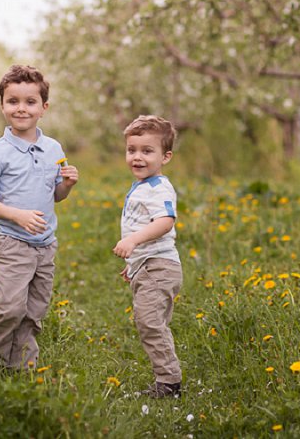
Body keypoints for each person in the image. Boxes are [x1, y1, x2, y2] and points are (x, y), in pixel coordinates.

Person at [0, 64, 78, 370]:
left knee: (33, 311)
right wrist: (16, 215)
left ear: (43, 108)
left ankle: (22, 369)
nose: (21, 109)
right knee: (9, 309)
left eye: (30, 102)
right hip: (11, 243)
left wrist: (67, 184)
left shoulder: (53, 148)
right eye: (13, 101)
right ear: (2, 105)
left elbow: (55, 195)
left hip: (44, 246)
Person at [113, 115, 183, 398]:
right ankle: (167, 379)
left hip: (159, 266)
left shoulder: (159, 188)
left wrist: (132, 241)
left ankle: (169, 383)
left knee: (150, 322)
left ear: (165, 157)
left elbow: (164, 222)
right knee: (150, 321)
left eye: (147, 151)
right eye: (132, 150)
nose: (137, 157)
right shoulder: (142, 186)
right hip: (148, 265)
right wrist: (134, 263)